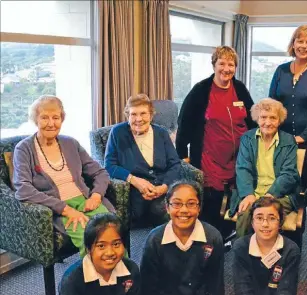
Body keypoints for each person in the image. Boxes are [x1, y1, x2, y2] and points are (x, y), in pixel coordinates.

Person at [13, 95, 113, 256]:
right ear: (35, 120)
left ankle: (124, 279)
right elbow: (23, 189)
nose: (51, 123)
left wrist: (96, 196)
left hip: (85, 200)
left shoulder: (70, 143)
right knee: (92, 240)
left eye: (56, 117)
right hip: (57, 207)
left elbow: (100, 172)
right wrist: (65, 209)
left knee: (112, 232)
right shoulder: (23, 149)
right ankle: (95, 280)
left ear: (62, 119)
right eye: (44, 117)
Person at [176, 46, 256, 233]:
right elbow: (184, 123)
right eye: (222, 63)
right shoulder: (201, 90)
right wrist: (183, 156)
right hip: (210, 157)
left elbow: (253, 118)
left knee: (236, 198)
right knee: (212, 203)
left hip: (238, 158)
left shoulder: (240, 88)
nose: (226, 69)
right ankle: (212, 239)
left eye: (231, 64)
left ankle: (229, 235)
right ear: (214, 65)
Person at [140, 180, 225, 295]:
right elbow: (147, 287)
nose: (184, 210)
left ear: (199, 207)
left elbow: (216, 283)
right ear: (167, 208)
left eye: (191, 204)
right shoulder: (155, 240)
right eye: (177, 204)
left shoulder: (213, 237)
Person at [105, 94, 182, 227]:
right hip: (135, 190)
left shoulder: (161, 133)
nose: (138, 119)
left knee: (177, 206)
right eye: (133, 114)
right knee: (159, 210)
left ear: (151, 115)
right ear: (127, 115)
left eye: (143, 113)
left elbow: (175, 164)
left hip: (163, 186)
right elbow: (109, 165)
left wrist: (164, 187)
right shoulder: (118, 133)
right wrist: (135, 180)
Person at [269, 25, 307, 182]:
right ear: (293, 43)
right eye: (300, 41)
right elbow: (272, 104)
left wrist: (303, 136)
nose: (303, 46)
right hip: (282, 138)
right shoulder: (281, 70)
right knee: (281, 181)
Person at [234, 98, 301, 237]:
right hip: (253, 193)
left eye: (273, 118)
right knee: (246, 213)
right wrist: (248, 194)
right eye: (263, 117)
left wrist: (270, 195)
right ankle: (242, 252)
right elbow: (242, 168)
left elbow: (289, 173)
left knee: (268, 214)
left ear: (279, 120)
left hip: (280, 195)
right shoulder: (247, 138)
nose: (268, 122)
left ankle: (273, 253)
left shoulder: (288, 140)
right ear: (257, 118)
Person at [59, 213, 141, 295]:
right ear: (88, 249)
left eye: (116, 244)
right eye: (101, 246)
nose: (110, 252)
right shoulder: (72, 281)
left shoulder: (131, 270)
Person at [232, 197, 301, 295]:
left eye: (272, 218)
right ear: (252, 222)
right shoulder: (241, 247)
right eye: (259, 218)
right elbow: (243, 292)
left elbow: (285, 294)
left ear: (280, 222)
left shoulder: (291, 250)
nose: (265, 224)